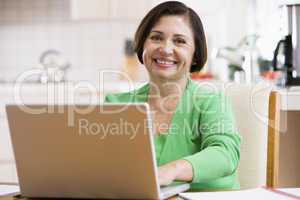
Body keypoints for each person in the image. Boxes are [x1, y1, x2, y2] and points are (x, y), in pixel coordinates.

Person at [105, 1, 241, 190]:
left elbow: (225, 154)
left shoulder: (211, 101)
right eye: (156, 38)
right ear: (142, 45)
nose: (166, 49)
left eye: (180, 41)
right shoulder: (116, 104)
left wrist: (171, 170)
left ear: (195, 54)